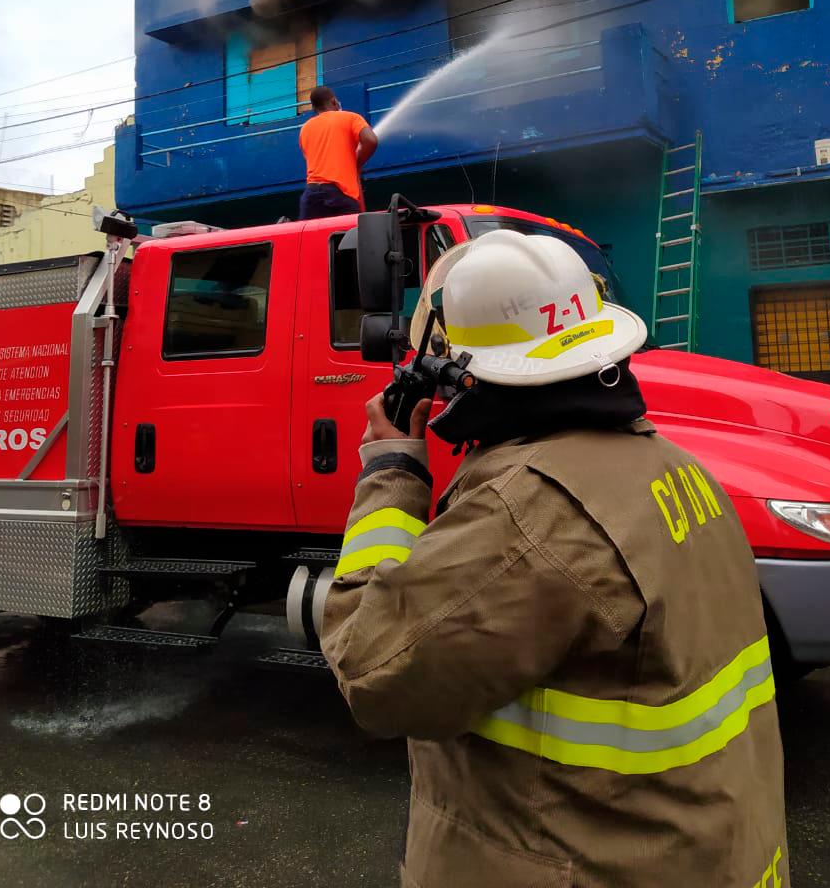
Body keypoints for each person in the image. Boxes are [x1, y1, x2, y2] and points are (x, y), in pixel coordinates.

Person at [322, 229, 788, 888]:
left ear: (458, 372)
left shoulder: (529, 515)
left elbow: (373, 675)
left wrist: (391, 472)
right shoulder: (679, 470)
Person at [297, 85, 378, 219]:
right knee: (350, 237)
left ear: (314, 108)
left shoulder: (304, 129)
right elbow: (371, 140)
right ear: (334, 101)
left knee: (312, 239)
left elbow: (314, 160)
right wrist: (357, 162)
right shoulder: (350, 117)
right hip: (340, 194)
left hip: (311, 197)